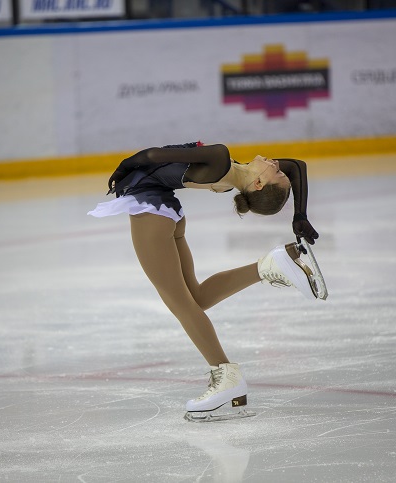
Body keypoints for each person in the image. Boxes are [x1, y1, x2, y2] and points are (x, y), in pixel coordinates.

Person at [88, 141, 319, 418]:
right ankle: (269, 266)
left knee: (180, 304)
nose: (276, 163)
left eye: (276, 172)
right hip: (166, 212)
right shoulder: (234, 172)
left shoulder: (220, 158)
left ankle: (225, 375)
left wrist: (122, 168)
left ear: (258, 184)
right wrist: (300, 215)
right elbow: (297, 166)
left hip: (152, 212)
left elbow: (152, 155)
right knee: (195, 298)